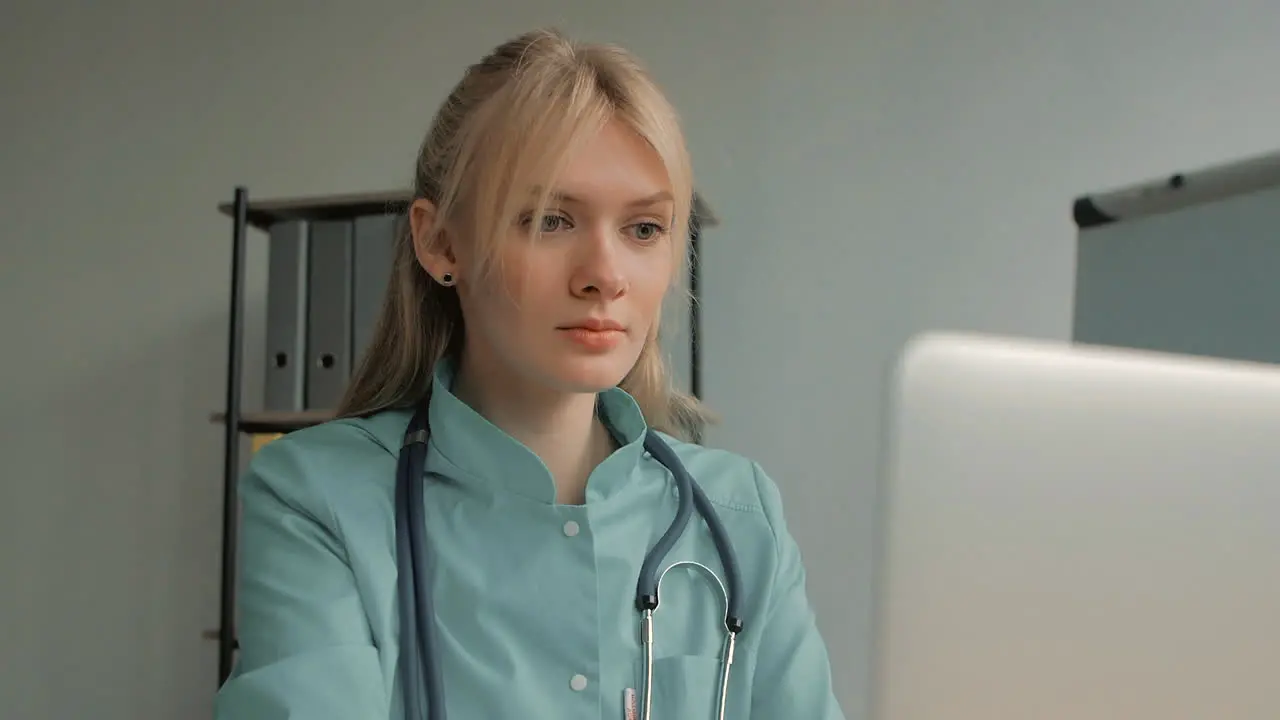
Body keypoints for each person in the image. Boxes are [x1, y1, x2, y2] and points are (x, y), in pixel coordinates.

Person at [213, 27, 845, 719]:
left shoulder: (739, 514)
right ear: (439, 241)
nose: (604, 276)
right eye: (550, 220)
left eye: (643, 229)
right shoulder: (318, 498)